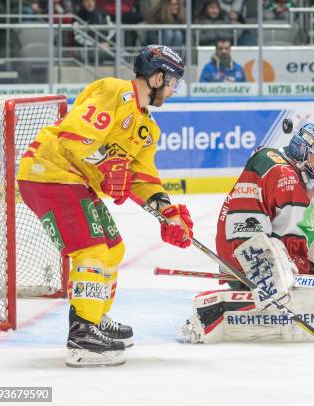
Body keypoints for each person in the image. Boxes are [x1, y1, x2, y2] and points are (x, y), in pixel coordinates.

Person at [16, 45, 194, 367]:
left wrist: (167, 212)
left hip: (74, 182)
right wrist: (108, 161)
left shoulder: (147, 130)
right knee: (92, 249)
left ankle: (95, 317)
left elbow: (143, 179)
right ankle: (82, 333)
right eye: (173, 83)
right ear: (157, 77)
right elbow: (73, 136)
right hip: (50, 171)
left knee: (113, 248)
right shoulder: (113, 91)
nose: (172, 91)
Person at [180, 123, 314, 344]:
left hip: (276, 245)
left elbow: (313, 230)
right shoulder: (279, 169)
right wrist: (308, 278)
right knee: (281, 286)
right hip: (244, 248)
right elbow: (289, 234)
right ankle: (216, 311)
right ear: (301, 149)